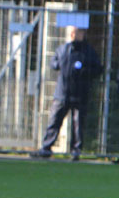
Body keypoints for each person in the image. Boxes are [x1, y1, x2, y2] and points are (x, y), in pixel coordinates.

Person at [31, 26, 102, 161]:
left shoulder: (88, 52)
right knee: (54, 121)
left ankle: (76, 151)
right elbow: (54, 64)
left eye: (79, 32)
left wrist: (84, 71)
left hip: (80, 94)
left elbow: (97, 69)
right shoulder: (63, 49)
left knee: (78, 125)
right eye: (75, 32)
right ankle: (46, 148)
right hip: (62, 93)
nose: (76, 34)